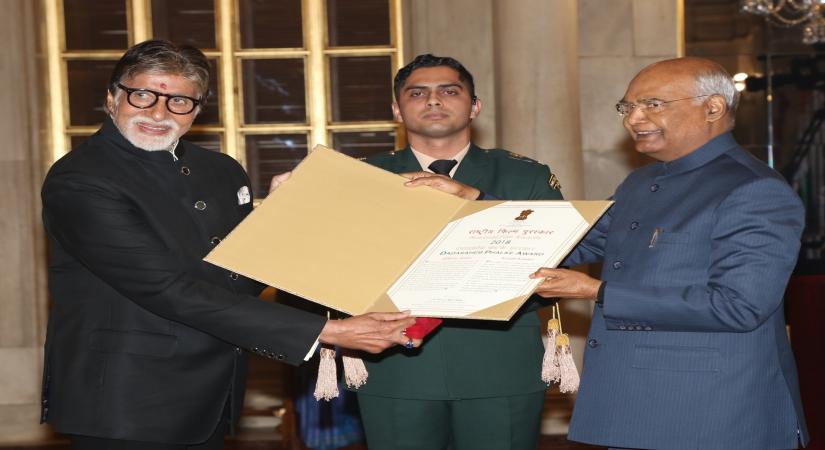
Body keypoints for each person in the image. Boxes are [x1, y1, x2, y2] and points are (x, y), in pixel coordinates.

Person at [40, 40, 415, 450]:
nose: (159, 113)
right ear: (112, 98)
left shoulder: (220, 171)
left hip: (211, 391)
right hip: (125, 401)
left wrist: (287, 217)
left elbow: (240, 274)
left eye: (179, 100)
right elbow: (166, 288)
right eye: (143, 95)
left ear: (198, 109)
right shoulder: (80, 180)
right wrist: (327, 331)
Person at [531, 57, 810, 449]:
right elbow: (573, 240)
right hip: (635, 404)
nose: (633, 118)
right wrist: (478, 208)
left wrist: (598, 292)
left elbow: (739, 306)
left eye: (653, 104)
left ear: (713, 108)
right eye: (627, 107)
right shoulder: (640, 183)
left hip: (710, 413)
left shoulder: (754, 190)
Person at [352, 54, 564, 450]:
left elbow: (558, 259)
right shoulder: (362, 178)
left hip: (497, 362)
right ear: (397, 110)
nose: (433, 100)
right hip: (395, 364)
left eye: (449, 91)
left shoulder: (524, 175)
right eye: (417, 93)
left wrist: (477, 200)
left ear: (475, 106)